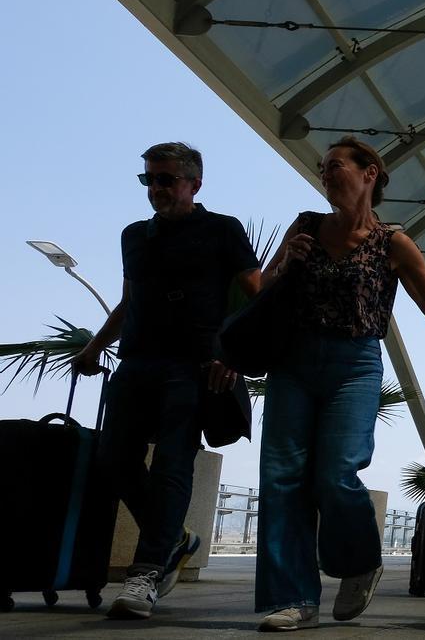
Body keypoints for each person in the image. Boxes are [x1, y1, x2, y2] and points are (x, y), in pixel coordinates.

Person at [253, 136, 425, 632]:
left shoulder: (393, 243)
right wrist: (287, 264)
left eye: (336, 166)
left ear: (370, 174)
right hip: (294, 361)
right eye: (323, 168)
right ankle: (294, 597)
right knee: (281, 479)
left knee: (336, 473)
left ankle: (360, 561)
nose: (326, 174)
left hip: (355, 365)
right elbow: (262, 288)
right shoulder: (305, 226)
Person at [72, 142, 261, 620]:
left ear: (194, 183)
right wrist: (95, 348)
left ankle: (147, 571)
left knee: (173, 462)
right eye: (148, 179)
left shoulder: (223, 230)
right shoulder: (134, 235)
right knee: (113, 458)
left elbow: (255, 299)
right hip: (136, 361)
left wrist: (233, 354)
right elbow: (128, 300)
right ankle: (174, 539)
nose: (156, 188)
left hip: (194, 364)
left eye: (166, 179)